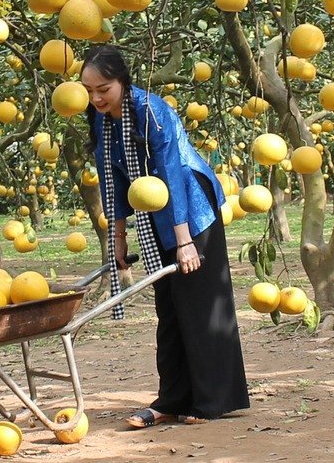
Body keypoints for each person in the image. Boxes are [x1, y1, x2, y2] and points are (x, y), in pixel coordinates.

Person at [81, 44, 250, 428]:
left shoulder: (151, 112)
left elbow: (172, 172)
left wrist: (185, 240)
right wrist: (118, 236)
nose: (95, 98)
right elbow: (112, 178)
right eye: (89, 90)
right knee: (169, 307)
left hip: (190, 210)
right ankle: (171, 398)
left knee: (200, 305)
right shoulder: (103, 119)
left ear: (122, 81)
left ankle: (212, 399)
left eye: (103, 88)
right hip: (155, 214)